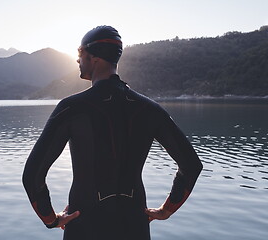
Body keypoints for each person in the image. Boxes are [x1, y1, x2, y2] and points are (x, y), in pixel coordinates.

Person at [22, 26, 203, 240]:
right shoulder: (149, 109)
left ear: (94, 57)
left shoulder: (72, 108)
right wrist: (166, 210)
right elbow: (191, 165)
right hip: (134, 226)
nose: (77, 60)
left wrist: (51, 219)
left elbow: (32, 175)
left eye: (80, 54)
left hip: (85, 226)